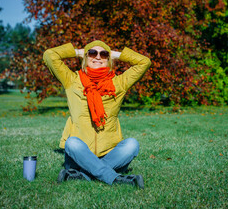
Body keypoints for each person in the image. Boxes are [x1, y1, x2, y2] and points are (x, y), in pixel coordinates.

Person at [43, 40, 151, 189]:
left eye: (104, 54)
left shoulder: (119, 83)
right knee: (72, 143)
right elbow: (49, 55)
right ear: (85, 58)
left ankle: (81, 175)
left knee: (132, 144)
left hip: (109, 154)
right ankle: (116, 178)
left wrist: (116, 54)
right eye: (92, 53)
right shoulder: (71, 80)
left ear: (109, 59)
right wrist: (77, 52)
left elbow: (144, 62)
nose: (98, 57)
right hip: (79, 155)